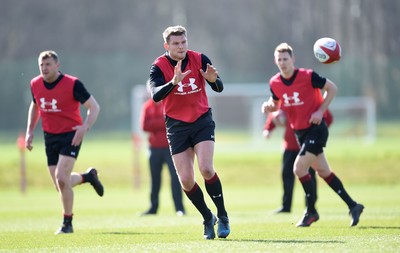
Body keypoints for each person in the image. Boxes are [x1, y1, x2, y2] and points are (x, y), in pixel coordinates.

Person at [261, 43, 364, 227]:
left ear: (293, 59)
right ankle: (353, 205)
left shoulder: (308, 76)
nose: (283, 62)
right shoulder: (274, 82)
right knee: (324, 172)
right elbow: (276, 104)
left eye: (286, 59)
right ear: (275, 61)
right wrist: (268, 107)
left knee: (298, 169)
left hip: (316, 129)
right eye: (279, 59)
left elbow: (332, 88)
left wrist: (321, 110)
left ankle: (311, 211)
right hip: (300, 133)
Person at [148, 25, 230, 239]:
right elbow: (156, 95)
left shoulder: (199, 59)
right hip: (176, 126)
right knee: (186, 180)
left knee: (206, 169)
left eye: (183, 42)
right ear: (167, 45)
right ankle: (207, 217)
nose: (181, 46)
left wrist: (213, 81)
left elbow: (219, 87)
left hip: (202, 121)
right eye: (176, 43)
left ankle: (222, 215)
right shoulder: (158, 66)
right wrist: (173, 82)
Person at [25, 50, 104, 234]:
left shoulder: (72, 84)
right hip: (50, 136)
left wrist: (85, 127)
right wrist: (29, 131)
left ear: (57, 66)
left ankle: (67, 223)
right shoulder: (35, 84)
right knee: (60, 184)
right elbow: (35, 105)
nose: (44, 68)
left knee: (61, 179)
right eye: (42, 65)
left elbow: (94, 107)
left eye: (48, 64)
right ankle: (88, 177)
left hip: (71, 134)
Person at [263, 109, 333, 213]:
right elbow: (274, 116)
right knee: (286, 175)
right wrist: (268, 129)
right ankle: (286, 206)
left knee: (309, 176)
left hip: (307, 146)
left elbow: (328, 118)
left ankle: (310, 206)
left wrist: (317, 131)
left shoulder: (309, 101)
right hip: (289, 146)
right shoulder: (284, 99)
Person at [140, 94, 185, 216]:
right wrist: (161, 122)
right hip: (154, 149)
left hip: (170, 148)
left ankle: (179, 208)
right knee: (155, 180)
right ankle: (153, 208)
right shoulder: (147, 106)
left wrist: (154, 123)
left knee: (175, 178)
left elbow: (170, 122)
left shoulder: (167, 103)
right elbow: (144, 126)